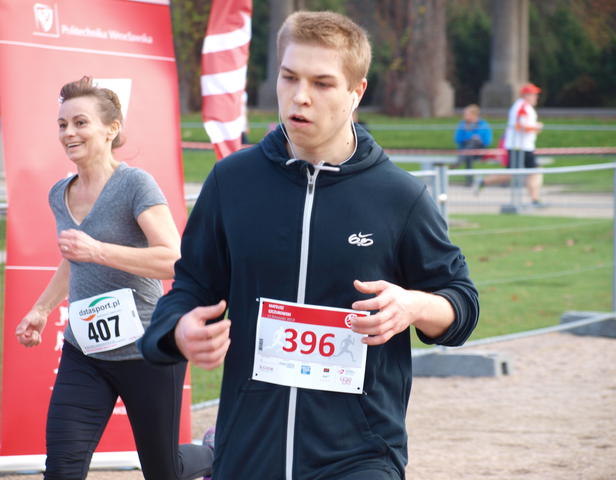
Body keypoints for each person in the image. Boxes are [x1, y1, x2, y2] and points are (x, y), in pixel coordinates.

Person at [139, 11, 479, 480]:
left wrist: (413, 305)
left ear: (356, 92)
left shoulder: (400, 197)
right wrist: (178, 331)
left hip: (360, 455)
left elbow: (461, 303)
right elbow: (190, 288)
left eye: (322, 83)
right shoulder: (231, 182)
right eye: (289, 77)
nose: (300, 96)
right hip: (248, 449)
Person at [15, 76, 213, 480]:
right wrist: (42, 309)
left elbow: (174, 259)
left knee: (164, 470)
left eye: (80, 122)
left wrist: (99, 251)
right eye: (62, 124)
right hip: (85, 351)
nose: (69, 133)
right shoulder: (59, 194)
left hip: (147, 350)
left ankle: (216, 450)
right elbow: (74, 260)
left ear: (111, 129)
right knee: (63, 468)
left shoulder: (134, 185)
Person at [473, 83, 544, 205]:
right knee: (531, 172)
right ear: (526, 95)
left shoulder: (525, 107)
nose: (536, 97)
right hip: (520, 147)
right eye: (533, 95)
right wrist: (536, 127)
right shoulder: (522, 107)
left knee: (517, 173)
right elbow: (520, 126)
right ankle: (534, 199)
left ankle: (483, 182)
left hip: (522, 146)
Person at [454, 104, 492, 184]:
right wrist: (470, 135)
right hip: (466, 149)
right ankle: (469, 181)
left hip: (479, 150)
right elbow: (458, 139)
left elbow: (487, 141)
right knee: (469, 152)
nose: (464, 116)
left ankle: (459, 161)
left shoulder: (483, 125)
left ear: (474, 115)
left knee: (474, 143)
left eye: (466, 114)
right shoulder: (462, 125)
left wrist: (475, 138)